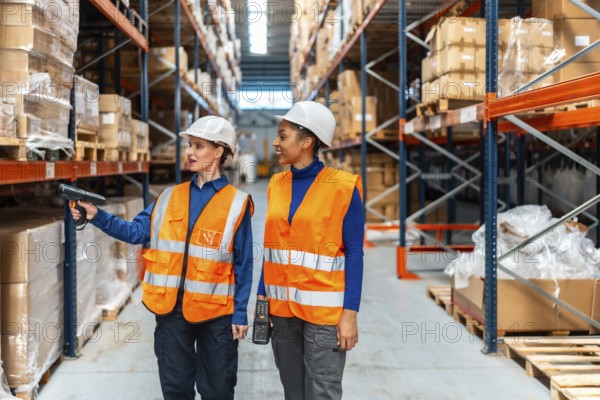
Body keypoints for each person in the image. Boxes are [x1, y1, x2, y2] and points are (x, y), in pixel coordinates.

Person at [70, 116, 254, 400]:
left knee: (217, 389)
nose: (190, 152)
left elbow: (244, 262)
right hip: (172, 311)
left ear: (219, 151)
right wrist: (97, 216)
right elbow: (135, 232)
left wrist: (240, 312)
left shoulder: (237, 203)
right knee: (175, 388)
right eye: (190, 145)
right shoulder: (169, 197)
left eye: (199, 146)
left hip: (217, 313)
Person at [257, 101, 365, 400]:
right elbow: (271, 248)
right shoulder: (276, 183)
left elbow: (355, 253)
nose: (276, 143)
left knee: (322, 392)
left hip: (324, 314)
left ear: (306, 142)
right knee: (293, 390)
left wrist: (350, 315)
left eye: (283, 136)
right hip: (282, 311)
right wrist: (261, 296)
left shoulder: (343, 187)